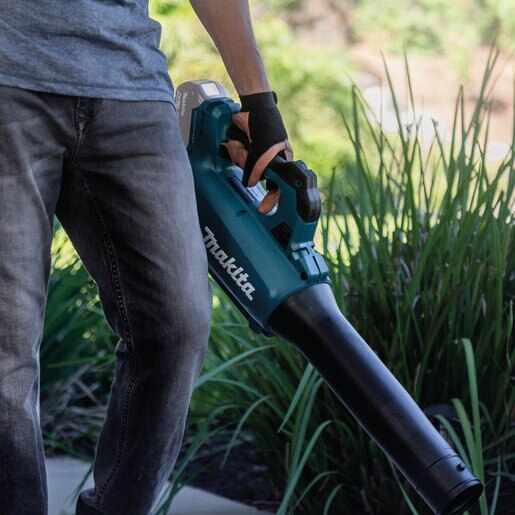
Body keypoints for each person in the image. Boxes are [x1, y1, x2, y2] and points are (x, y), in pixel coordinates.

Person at [0, 1, 293, 514]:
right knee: (6, 353)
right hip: (8, 77)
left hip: (131, 85)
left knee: (176, 325)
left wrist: (258, 99)